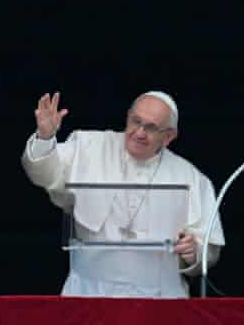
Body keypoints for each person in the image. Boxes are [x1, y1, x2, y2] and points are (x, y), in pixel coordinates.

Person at [21, 90, 225, 298]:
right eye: (136, 121)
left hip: (161, 297)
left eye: (151, 127)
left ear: (169, 136)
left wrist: (194, 252)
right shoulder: (88, 146)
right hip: (89, 292)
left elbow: (208, 252)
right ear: (127, 116)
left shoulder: (191, 178)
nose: (139, 133)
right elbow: (43, 174)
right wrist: (45, 137)